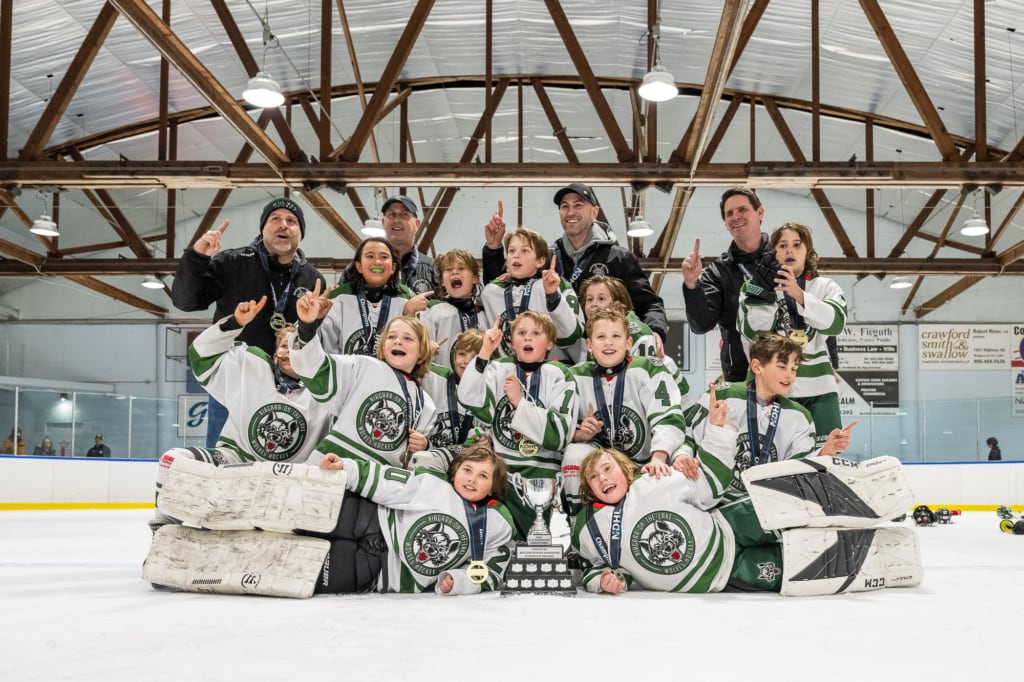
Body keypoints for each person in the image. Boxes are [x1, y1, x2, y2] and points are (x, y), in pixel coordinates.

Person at [144, 445, 516, 597]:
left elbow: (491, 570)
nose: (472, 479)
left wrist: (459, 581)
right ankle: (187, 509)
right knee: (274, 512)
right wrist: (348, 470)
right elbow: (388, 482)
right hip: (366, 520)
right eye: (468, 470)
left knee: (273, 557)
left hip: (374, 573)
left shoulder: (495, 525)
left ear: (494, 486)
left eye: (483, 476)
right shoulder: (435, 487)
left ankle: (178, 559)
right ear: (455, 471)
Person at [571, 442, 921, 596]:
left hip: (730, 525)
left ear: (625, 469)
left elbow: (712, 482)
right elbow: (592, 568)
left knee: (791, 508)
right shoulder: (590, 528)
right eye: (594, 477)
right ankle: (875, 556)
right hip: (728, 576)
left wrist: (717, 434)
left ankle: (859, 497)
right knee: (802, 559)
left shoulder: (653, 481)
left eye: (607, 469)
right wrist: (604, 582)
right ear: (588, 489)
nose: (603, 479)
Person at [150, 296, 339, 530]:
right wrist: (235, 323)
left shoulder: (326, 389)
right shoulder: (250, 368)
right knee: (173, 459)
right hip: (236, 461)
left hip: (292, 475)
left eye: (297, 346)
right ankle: (163, 528)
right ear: (275, 353)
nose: (290, 351)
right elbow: (201, 357)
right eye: (284, 345)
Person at [171, 197, 326, 447]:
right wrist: (197, 257)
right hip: (233, 382)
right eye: (275, 219)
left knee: (281, 454)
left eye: (292, 221)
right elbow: (186, 301)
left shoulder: (312, 279)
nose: (283, 225)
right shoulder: (232, 262)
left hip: (288, 389)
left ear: (300, 233)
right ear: (263, 228)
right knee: (223, 457)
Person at [677, 331, 855, 506]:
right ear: (757, 366)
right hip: (713, 503)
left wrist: (825, 451)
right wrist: (681, 455)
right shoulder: (723, 395)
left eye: (794, 369)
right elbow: (688, 436)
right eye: (782, 366)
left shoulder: (800, 416)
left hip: (765, 507)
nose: (789, 375)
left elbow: (799, 468)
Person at [482, 185, 668, 344]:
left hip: (606, 349)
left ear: (594, 212)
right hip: (559, 353)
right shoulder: (547, 257)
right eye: (565, 206)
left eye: (578, 205)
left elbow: (649, 303)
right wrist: (494, 247)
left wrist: (656, 333)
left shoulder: (618, 258)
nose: (571, 212)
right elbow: (501, 291)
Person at [458, 311, 578, 536]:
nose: (527, 337)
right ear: (512, 342)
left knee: (534, 545)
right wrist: (485, 351)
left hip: (542, 479)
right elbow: (469, 399)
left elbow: (557, 435)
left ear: (550, 343)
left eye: (536, 333)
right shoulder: (498, 368)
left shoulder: (560, 374)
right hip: (501, 475)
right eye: (521, 333)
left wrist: (519, 403)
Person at [290, 286, 436, 469]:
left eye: (408, 338)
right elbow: (315, 369)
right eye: (391, 337)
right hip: (329, 469)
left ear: (422, 351)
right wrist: (307, 326)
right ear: (382, 346)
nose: (398, 341)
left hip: (376, 481)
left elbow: (417, 463)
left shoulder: (426, 405)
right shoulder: (363, 366)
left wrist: (424, 447)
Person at [560, 306, 687, 517]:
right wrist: (580, 434)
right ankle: (580, 521)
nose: (608, 342)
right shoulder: (574, 377)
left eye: (616, 336)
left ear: (628, 343)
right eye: (601, 337)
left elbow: (668, 417)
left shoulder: (647, 368)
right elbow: (558, 426)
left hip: (644, 464)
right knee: (574, 453)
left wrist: (659, 457)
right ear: (590, 345)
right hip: (602, 470)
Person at [738, 222, 847, 443]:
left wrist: (799, 294)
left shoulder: (825, 286)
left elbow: (836, 323)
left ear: (808, 251)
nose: (790, 250)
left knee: (824, 453)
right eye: (782, 245)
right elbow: (754, 336)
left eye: (797, 245)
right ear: (773, 252)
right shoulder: (753, 287)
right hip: (770, 388)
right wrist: (765, 297)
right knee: (772, 452)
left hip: (819, 390)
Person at [682, 187, 769, 383]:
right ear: (726, 224)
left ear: (760, 212)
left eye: (742, 209)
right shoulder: (717, 272)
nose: (735, 217)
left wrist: (831, 362)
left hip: (789, 374)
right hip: (741, 377)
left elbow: (808, 303)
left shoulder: (783, 258)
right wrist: (692, 284)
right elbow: (701, 325)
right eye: (729, 213)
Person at [479, 227, 584, 362]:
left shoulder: (555, 285)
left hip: (550, 367)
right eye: (511, 251)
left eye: (525, 251)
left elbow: (571, 336)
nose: (516, 255)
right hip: (507, 370)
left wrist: (553, 296)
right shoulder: (490, 293)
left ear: (540, 261)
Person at [579, 275, 691, 402]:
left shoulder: (637, 333)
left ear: (618, 302)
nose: (593, 304)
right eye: (589, 299)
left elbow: (643, 387)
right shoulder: (593, 332)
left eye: (601, 298)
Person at [411, 329, 490, 473]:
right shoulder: (437, 377)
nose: (466, 361)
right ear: (454, 357)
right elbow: (406, 363)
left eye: (475, 357)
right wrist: (423, 353)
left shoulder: (488, 393)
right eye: (462, 354)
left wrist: (485, 439)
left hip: (465, 469)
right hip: (428, 461)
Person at [317, 237, 411, 355]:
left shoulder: (406, 300)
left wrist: (411, 315)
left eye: (384, 257)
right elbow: (320, 347)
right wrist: (312, 321)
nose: (377, 261)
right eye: (370, 256)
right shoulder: (339, 298)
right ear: (359, 266)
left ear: (393, 267)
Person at [414, 248, 485, 371]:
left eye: (461, 268)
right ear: (442, 281)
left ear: (475, 278)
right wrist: (425, 351)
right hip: (443, 381)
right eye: (448, 269)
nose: (454, 272)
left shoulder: (484, 314)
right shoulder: (433, 312)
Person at [380, 195, 438, 295]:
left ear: (417, 224)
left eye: (404, 214)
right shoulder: (367, 267)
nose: (396, 220)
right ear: (383, 222)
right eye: (391, 214)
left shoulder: (433, 269)